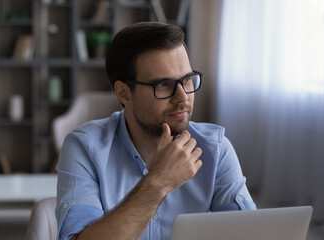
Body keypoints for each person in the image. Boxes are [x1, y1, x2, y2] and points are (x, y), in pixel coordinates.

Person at [55, 22, 256, 240]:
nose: (182, 97)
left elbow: (251, 234)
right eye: (163, 84)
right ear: (124, 93)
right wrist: (158, 183)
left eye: (187, 80)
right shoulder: (85, 148)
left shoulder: (215, 150)